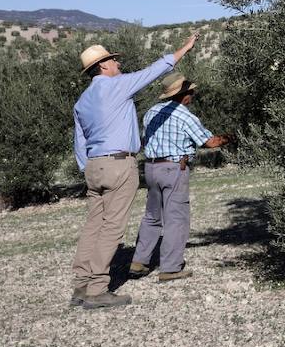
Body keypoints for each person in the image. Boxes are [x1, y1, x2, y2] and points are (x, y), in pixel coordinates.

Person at [70, 33, 197, 310]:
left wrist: (87, 168)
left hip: (93, 166)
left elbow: (79, 141)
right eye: (113, 60)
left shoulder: (82, 101)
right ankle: (98, 289)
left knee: (94, 225)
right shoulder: (117, 86)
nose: (117, 63)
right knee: (112, 228)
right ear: (103, 66)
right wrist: (184, 49)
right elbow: (154, 71)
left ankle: (81, 285)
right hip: (118, 164)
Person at [128, 73, 229, 282]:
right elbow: (209, 142)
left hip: (151, 168)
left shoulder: (151, 112)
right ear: (183, 94)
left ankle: (139, 261)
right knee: (176, 219)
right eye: (190, 91)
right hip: (174, 169)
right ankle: (171, 267)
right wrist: (232, 137)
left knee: (152, 216)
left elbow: (146, 140)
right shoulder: (184, 115)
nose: (192, 94)